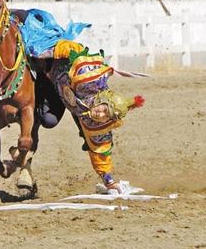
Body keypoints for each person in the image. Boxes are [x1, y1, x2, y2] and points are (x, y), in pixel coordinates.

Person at [38, 38, 144, 192]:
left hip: (60, 95)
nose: (100, 115)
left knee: (48, 120)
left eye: (105, 116)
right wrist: (48, 51)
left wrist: (108, 181)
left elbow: (100, 150)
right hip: (52, 63)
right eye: (104, 110)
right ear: (102, 100)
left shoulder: (97, 124)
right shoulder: (89, 78)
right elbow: (74, 49)